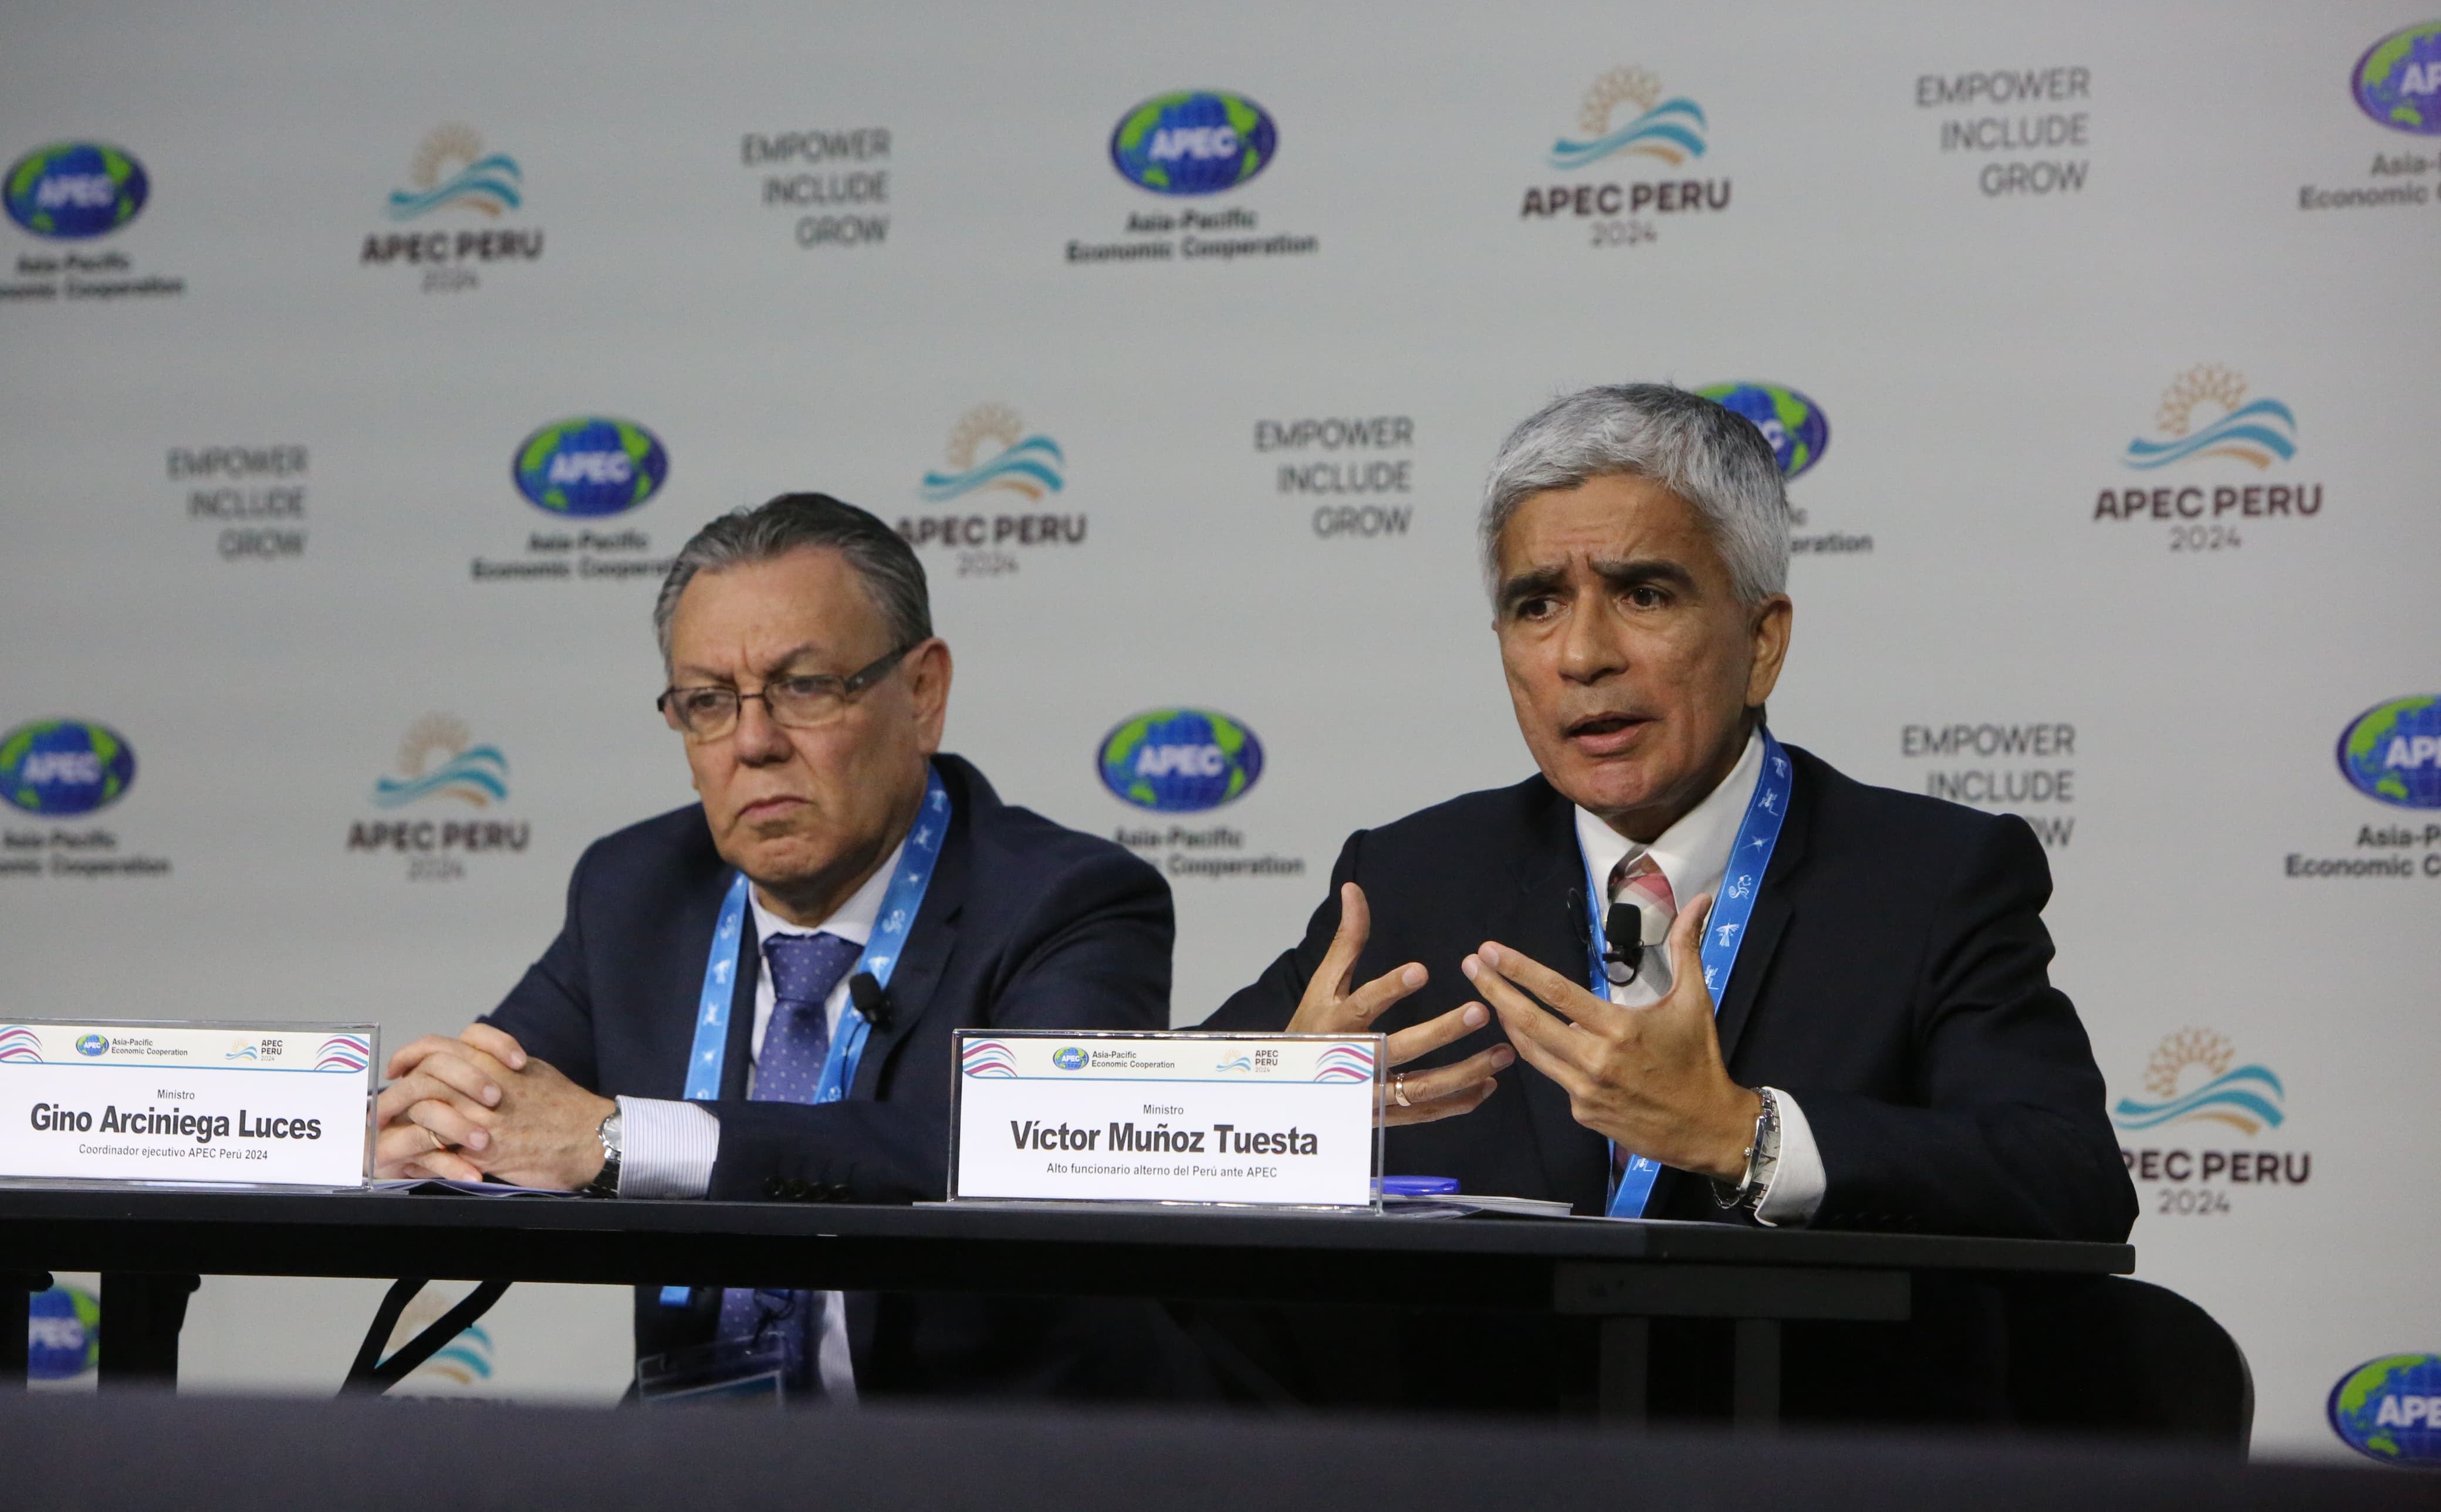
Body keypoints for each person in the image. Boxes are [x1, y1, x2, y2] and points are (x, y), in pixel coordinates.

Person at [1200, 384, 2135, 1416]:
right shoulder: (1416, 874)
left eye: (1644, 593)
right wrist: (1262, 1106)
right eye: (1537, 602)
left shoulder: (1928, 876)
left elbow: (2068, 1179)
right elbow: (1104, 1132)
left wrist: (1745, 1133)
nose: (1582, 654)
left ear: (1763, 642)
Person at [375, 492, 1199, 1402]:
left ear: (922, 694)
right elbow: (498, 1100)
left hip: (982, 1464)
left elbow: (1026, 1147)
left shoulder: (1066, 901)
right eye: (708, 703)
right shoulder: (636, 889)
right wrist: (427, 1118)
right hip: (700, 1458)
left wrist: (624, 1139)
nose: (755, 743)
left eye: (803, 687)